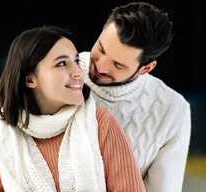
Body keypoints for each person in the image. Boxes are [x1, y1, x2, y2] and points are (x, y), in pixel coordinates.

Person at [0, 26, 145, 192]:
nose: (77, 72)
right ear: (30, 80)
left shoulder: (101, 124)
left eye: (76, 61)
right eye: (61, 64)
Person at [79, 2, 191, 192]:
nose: (101, 66)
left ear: (146, 68)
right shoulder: (60, 70)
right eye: (101, 49)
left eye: (118, 65)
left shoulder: (173, 110)